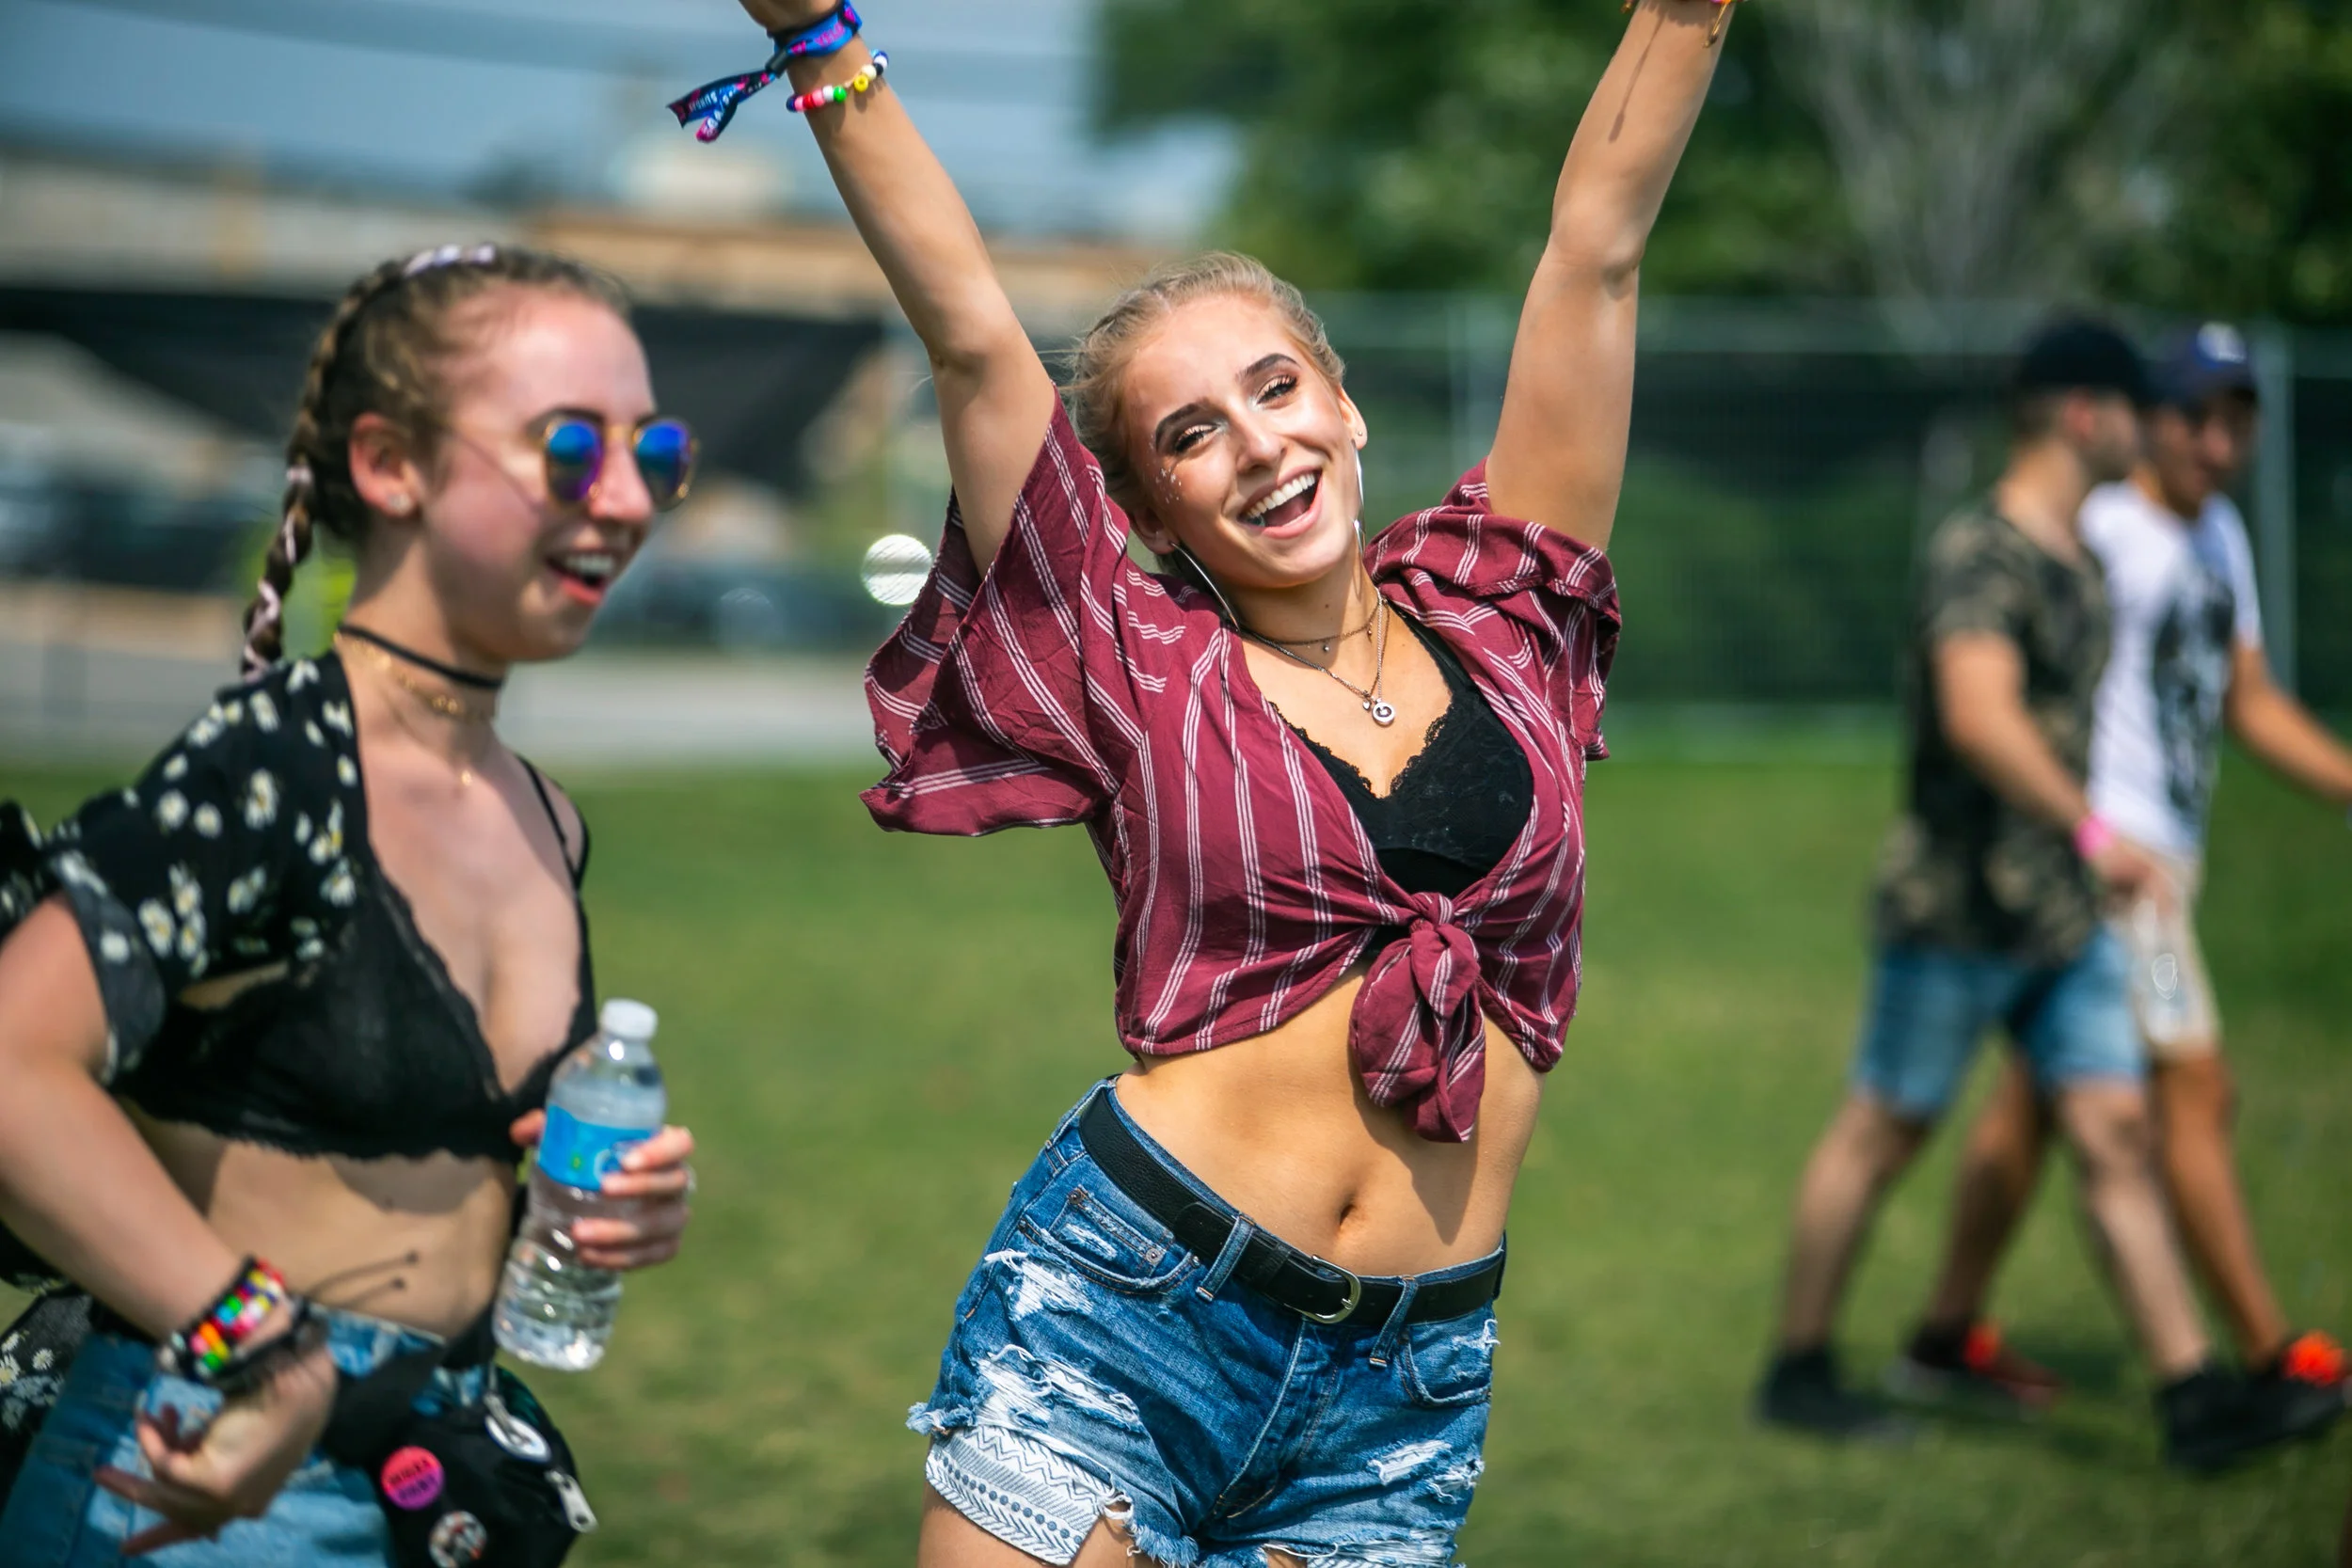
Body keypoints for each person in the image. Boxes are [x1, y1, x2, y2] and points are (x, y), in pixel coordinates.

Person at [700, 0, 1728, 1560]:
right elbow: (970, 331)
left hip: (1401, 1399)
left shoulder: (1509, 608)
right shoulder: (1135, 657)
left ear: (1345, 403)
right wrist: (818, 38)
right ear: (1151, 508)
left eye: (1277, 387)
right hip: (1122, 1322)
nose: (1257, 444)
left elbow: (1596, 248)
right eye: (1191, 433)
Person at [0, 243, 699, 1562]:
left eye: (652, 452)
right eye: (568, 449)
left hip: (423, 1480)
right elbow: (10, 1066)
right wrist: (258, 1343)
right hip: (189, 1482)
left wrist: (579, 1215)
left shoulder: (545, 817)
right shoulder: (278, 765)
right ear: (390, 465)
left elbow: (403, 1170)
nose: (623, 500)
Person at [1752, 319, 2335, 1471]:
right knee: (1883, 1129)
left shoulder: (2084, 556)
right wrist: (2093, 828)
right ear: (2085, 413)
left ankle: (2192, 1398)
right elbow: (1978, 715)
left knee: (2115, 1131)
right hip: (1958, 906)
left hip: (2059, 915)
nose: (2153, 430)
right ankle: (1799, 1365)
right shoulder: (1982, 551)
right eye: (2136, 408)